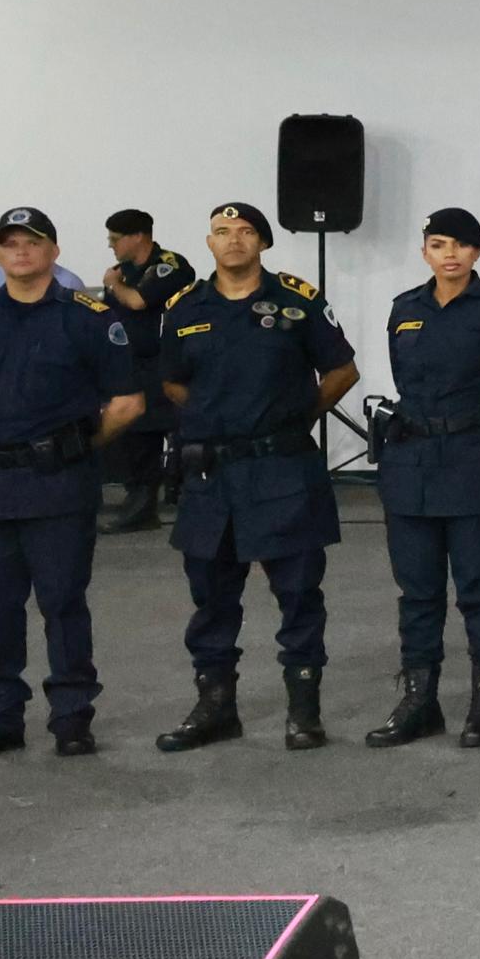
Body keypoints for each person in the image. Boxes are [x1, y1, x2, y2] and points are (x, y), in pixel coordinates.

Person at [142, 201, 359, 752]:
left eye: (244, 232)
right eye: (221, 231)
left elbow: (342, 369)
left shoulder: (297, 300)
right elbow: (172, 383)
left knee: (298, 595)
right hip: (212, 475)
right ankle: (216, 708)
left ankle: (303, 713)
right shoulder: (184, 306)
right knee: (211, 599)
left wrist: (294, 418)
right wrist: (218, 419)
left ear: (262, 242)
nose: (233, 240)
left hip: (282, 469)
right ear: (208, 243)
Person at [0, 209, 148, 760]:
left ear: (53, 251)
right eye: (9, 243)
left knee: (63, 605)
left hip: (58, 486)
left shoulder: (90, 318)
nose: (21, 251)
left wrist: (71, 447)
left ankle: (72, 718)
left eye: (33, 242)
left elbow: (127, 403)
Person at [367, 207, 480, 749]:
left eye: (461, 245)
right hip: (411, 465)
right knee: (417, 591)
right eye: (439, 244)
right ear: (425, 253)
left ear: (478, 253)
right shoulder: (405, 309)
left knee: (479, 587)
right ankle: (419, 700)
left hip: (474, 460)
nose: (450, 254)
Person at [93, 208, 198, 534]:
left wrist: (113, 284)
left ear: (137, 236)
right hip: (134, 365)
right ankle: (140, 508)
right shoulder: (123, 270)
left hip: (170, 362)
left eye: (115, 239)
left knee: (183, 433)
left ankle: (190, 502)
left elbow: (139, 301)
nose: (111, 246)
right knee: (137, 437)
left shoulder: (169, 264)